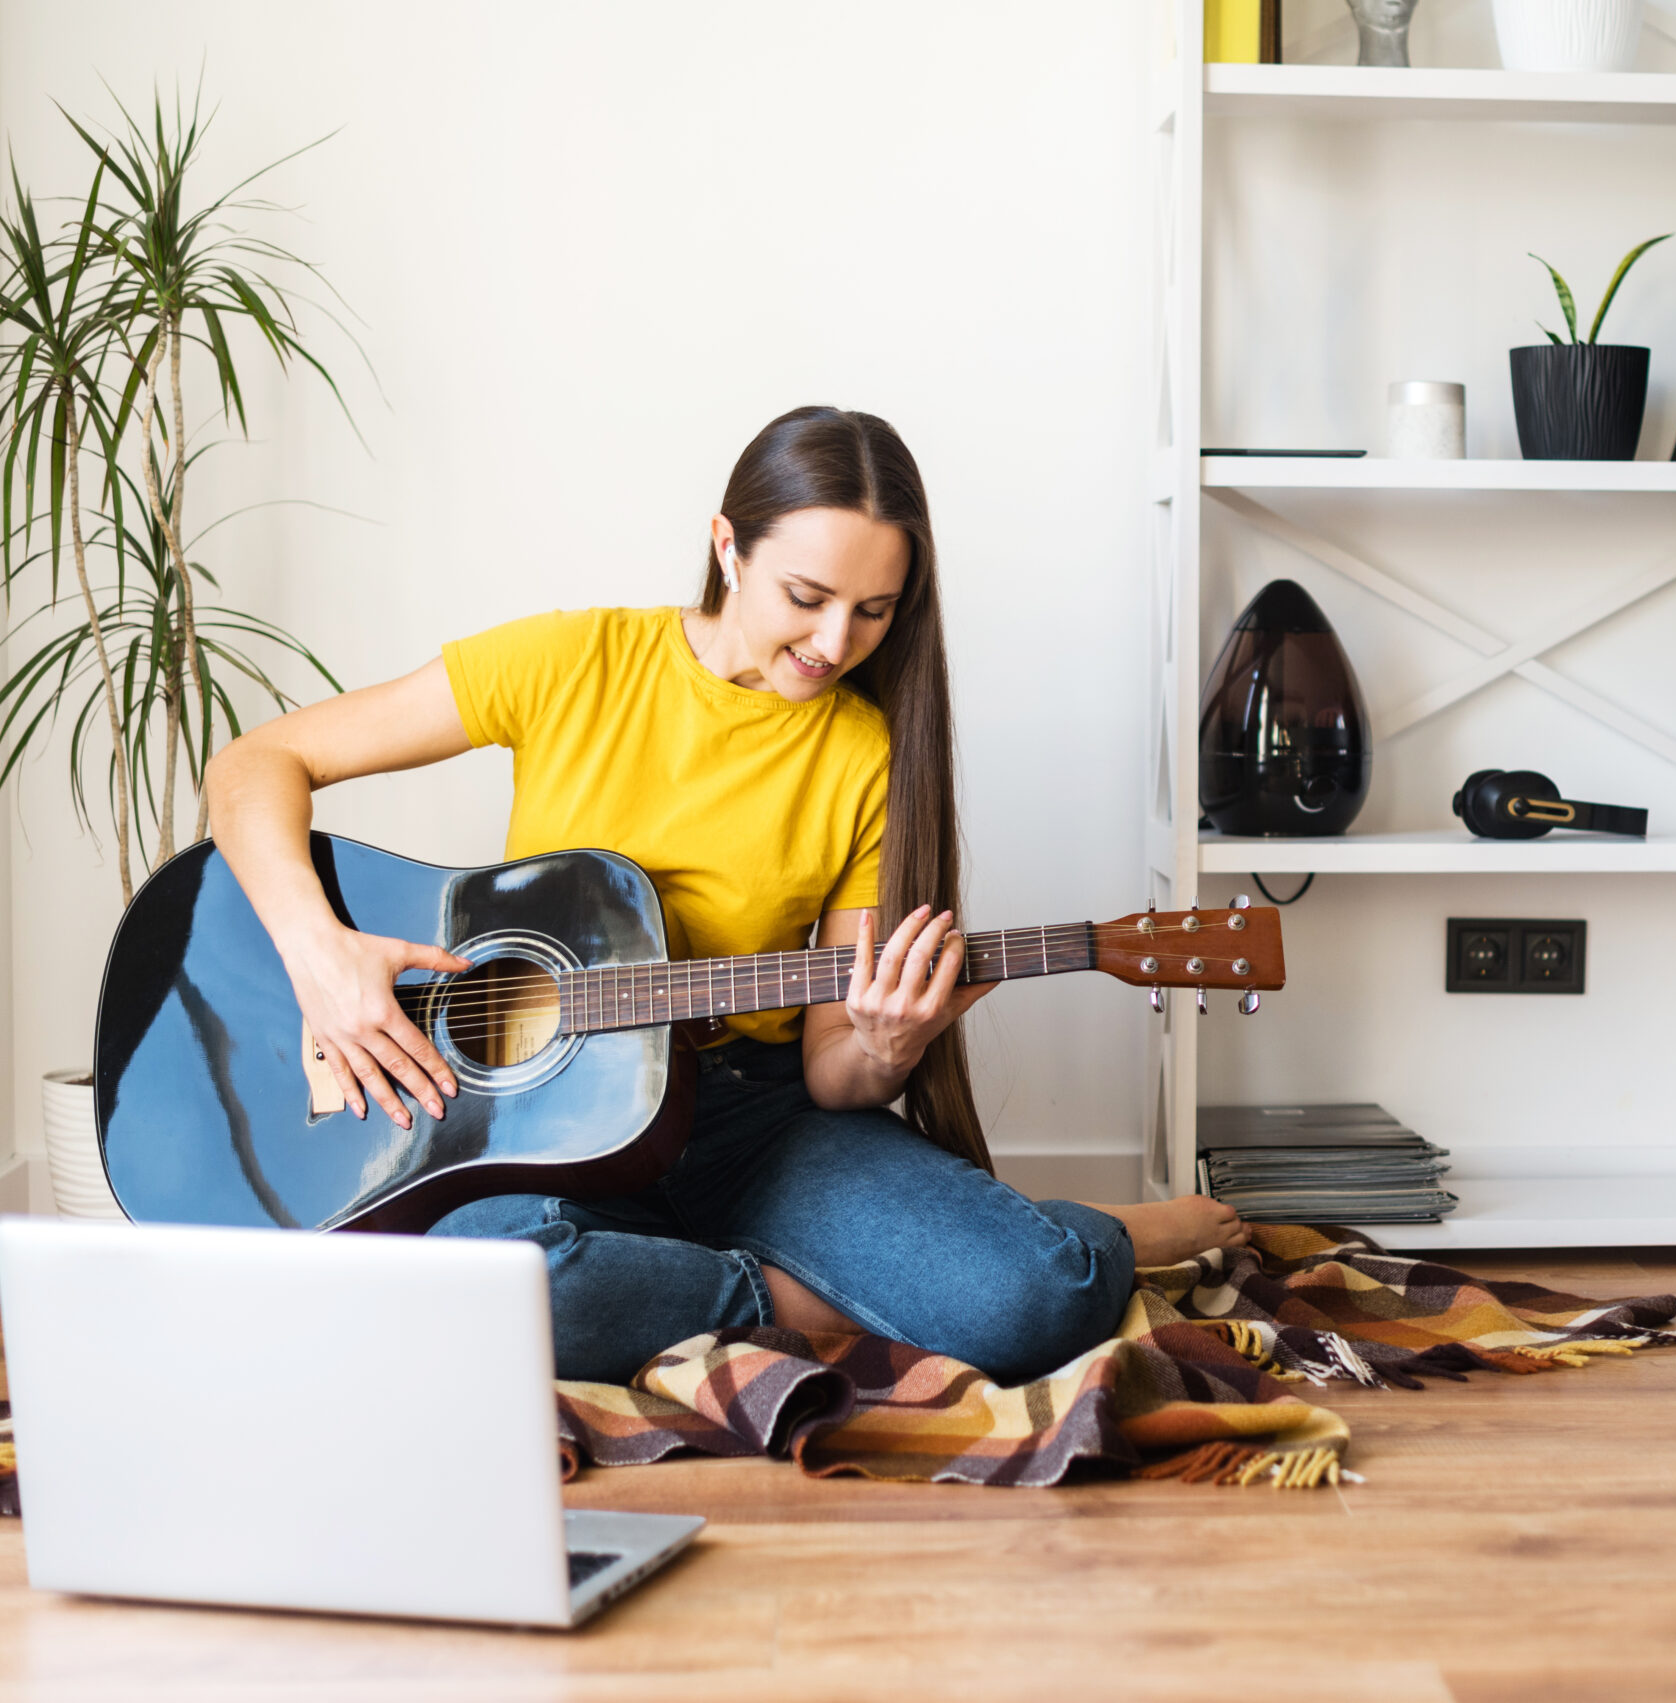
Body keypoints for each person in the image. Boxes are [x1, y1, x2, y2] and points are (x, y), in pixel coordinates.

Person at [205, 405, 1247, 1385]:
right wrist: (321, 955)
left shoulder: (869, 754)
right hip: (526, 1113)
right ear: (726, 546)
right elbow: (258, 762)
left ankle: (1075, 1233)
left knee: (1034, 1298)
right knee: (503, 1283)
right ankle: (799, 1296)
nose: (836, 642)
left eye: (874, 610)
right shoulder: (570, 660)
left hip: (744, 1112)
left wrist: (887, 1041)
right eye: (807, 596)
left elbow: (837, 1073)